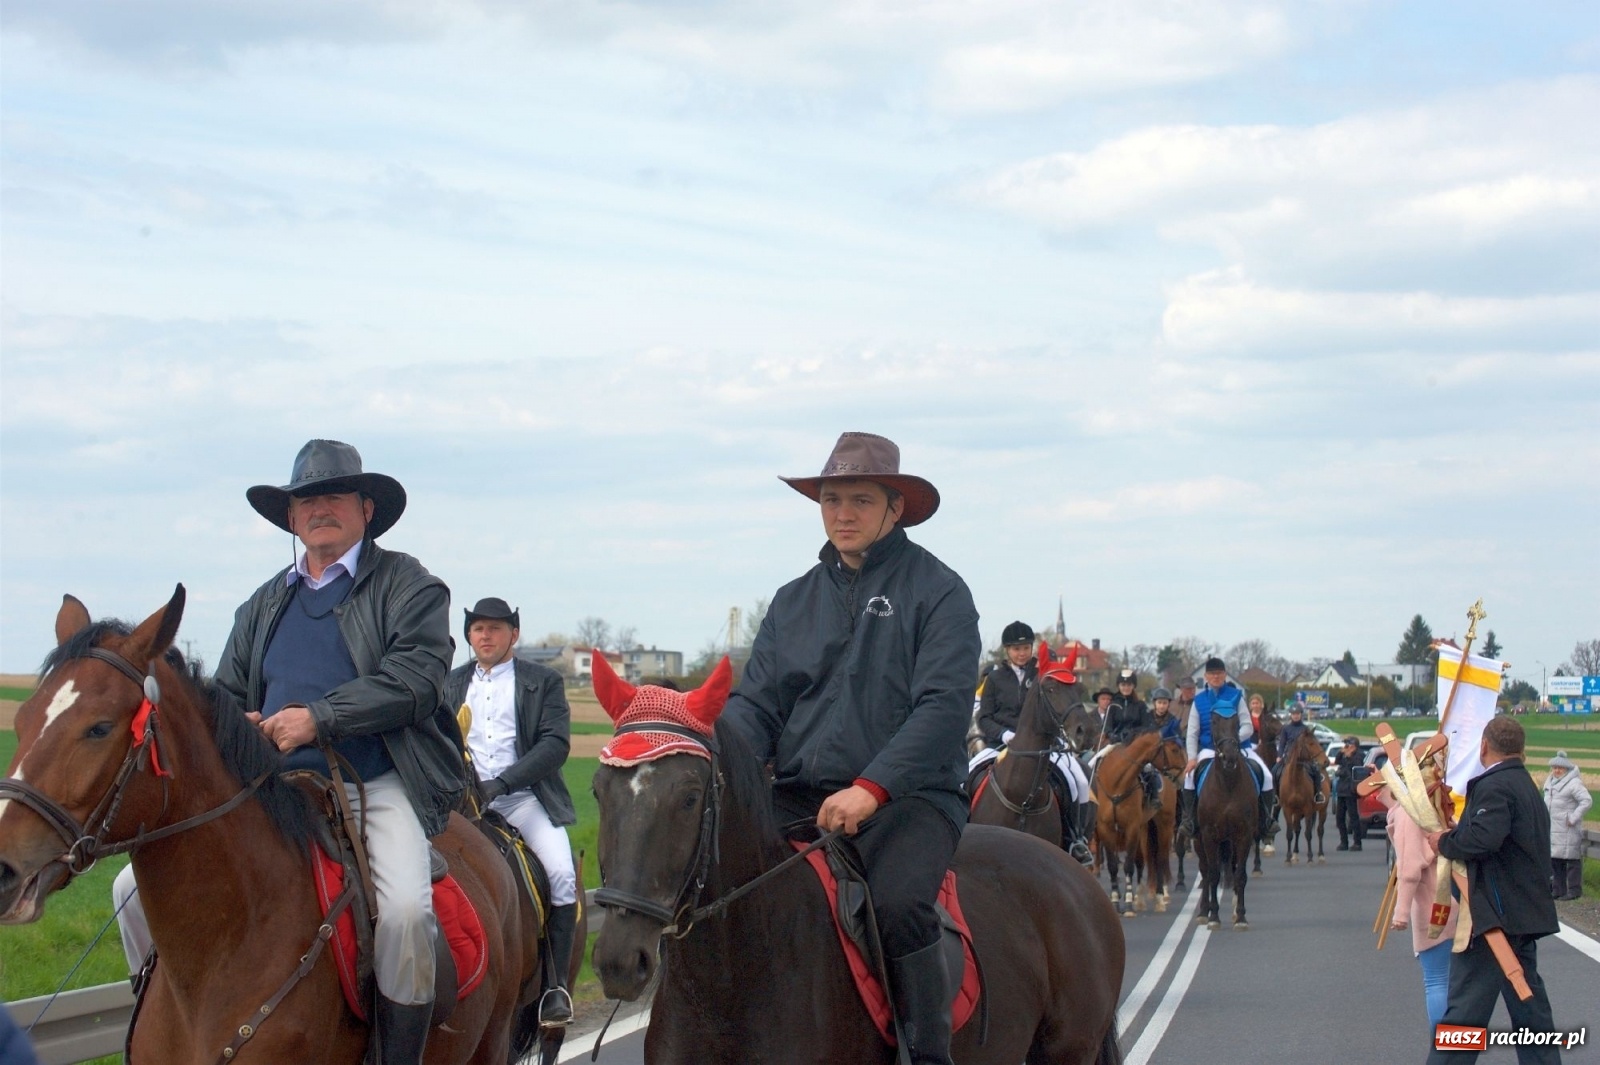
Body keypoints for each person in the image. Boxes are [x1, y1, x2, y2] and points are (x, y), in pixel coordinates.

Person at [112, 439, 463, 1065]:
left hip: (372, 780)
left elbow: (416, 680)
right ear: (291, 517)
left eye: (331, 495)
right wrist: (241, 724)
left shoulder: (411, 586)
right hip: (271, 787)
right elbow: (223, 696)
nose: (317, 508)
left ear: (365, 507)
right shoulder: (263, 603)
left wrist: (318, 719)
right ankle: (180, 1014)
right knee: (126, 890)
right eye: (305, 499)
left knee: (407, 913)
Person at [723, 431, 980, 1065]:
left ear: (895, 507)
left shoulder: (941, 592)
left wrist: (872, 788)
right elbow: (755, 705)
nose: (843, 513)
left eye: (860, 500)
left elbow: (943, 708)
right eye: (831, 499)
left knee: (897, 905)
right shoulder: (792, 601)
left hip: (909, 798)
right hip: (799, 794)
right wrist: (720, 764)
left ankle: (925, 1053)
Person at [441, 597, 579, 1025]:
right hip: (461, 807)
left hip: (523, 800)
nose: (486, 635)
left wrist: (501, 784)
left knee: (560, 873)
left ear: (513, 635)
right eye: (479, 629)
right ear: (469, 636)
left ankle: (554, 986)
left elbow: (554, 744)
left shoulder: (543, 681)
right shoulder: (449, 683)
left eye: (495, 629)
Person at [1425, 716, 1560, 1065]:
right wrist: (1460, 832)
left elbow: (1484, 839)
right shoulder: (1525, 783)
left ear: (1484, 746)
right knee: (1529, 1009)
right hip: (1521, 913)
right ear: (1521, 749)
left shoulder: (1494, 785)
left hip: (1491, 917)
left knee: (1464, 1013)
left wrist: (1445, 841)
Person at [1384, 753, 1459, 1027]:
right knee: (1457, 988)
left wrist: (1400, 913)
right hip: (1453, 904)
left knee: (1437, 983)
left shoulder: (1408, 813)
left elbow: (1410, 868)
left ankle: (1443, 1053)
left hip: (1432, 908)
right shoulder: (1433, 808)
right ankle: (1455, 1051)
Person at [1180, 657, 1274, 850]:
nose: (1216, 677)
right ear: (1206, 677)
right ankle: (1190, 821)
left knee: (1268, 776)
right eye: (1212, 674)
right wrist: (1191, 758)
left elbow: (1247, 726)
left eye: (1219, 673)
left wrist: (1232, 743)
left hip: (1241, 746)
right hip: (1209, 749)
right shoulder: (1199, 701)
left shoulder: (1236, 696)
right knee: (1189, 778)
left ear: (1224, 675)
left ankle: (1266, 822)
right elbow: (1192, 733)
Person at [1091, 668, 1159, 807]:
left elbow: (1147, 726)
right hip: (1116, 743)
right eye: (1123, 685)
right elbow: (1107, 726)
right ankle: (1091, 797)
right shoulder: (1113, 705)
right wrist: (1113, 735)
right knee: (1093, 762)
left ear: (1133, 686)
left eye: (1129, 685)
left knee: (1149, 768)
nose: (1126, 688)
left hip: (1135, 744)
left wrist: (1134, 733)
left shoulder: (1140, 705)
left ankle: (1153, 797)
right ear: (1119, 686)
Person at [976, 621, 1036, 749]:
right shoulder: (994, 678)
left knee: (1074, 768)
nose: (1022, 653)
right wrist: (1003, 734)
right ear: (1007, 650)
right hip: (1000, 744)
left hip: (1037, 745)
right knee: (971, 768)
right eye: (1016, 649)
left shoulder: (1041, 677)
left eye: (1026, 648)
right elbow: (984, 718)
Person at [1544, 751, 1593, 901]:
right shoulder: (1550, 783)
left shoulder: (1573, 783)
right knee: (1555, 860)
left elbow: (1587, 800)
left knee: (1571, 861)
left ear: (1567, 769)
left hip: (1568, 828)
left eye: (1560, 768)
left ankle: (1574, 890)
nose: (1557, 770)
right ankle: (1558, 890)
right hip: (1553, 827)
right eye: (1555, 767)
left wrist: (1573, 817)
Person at [1272, 705, 1327, 804]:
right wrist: (1279, 756)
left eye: (1297, 714)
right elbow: (1282, 744)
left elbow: (1311, 743)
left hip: (1304, 758)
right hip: (1288, 757)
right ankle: (1275, 795)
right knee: (1274, 771)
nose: (1295, 716)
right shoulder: (1286, 728)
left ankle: (1318, 793)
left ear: (1301, 715)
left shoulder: (1305, 728)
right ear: (1291, 715)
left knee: (1316, 771)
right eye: (1294, 714)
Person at [1331, 736, 1366, 851]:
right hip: (1342, 789)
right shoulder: (1344, 755)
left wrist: (1349, 756)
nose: (1346, 747)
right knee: (1340, 818)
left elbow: (1356, 767)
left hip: (1351, 790)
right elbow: (1337, 761)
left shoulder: (1359, 755)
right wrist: (1341, 753)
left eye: (1347, 745)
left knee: (1353, 817)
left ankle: (1357, 842)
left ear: (1354, 745)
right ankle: (1343, 842)